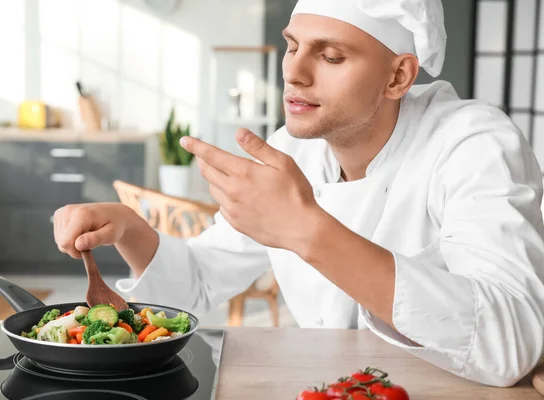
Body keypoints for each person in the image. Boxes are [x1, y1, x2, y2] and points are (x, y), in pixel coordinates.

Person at [53, 0, 544, 387]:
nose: (294, 72)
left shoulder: (474, 144)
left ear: (398, 77)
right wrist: (130, 228)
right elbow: (201, 281)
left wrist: (304, 229)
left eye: (331, 56)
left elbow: (509, 343)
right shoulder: (294, 150)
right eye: (292, 45)